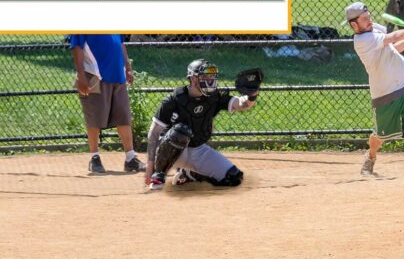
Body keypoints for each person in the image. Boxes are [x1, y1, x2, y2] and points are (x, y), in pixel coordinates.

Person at [345, 2, 404, 176]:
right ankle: (370, 156)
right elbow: (393, 37)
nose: (370, 21)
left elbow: (392, 50)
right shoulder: (362, 41)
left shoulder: (376, 29)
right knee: (380, 136)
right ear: (354, 25)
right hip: (385, 91)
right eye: (365, 19)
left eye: (369, 17)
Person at [145, 60, 261, 190]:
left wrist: (252, 94)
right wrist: (150, 166)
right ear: (193, 78)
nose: (210, 80)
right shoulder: (173, 100)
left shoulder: (215, 96)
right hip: (169, 151)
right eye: (204, 76)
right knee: (181, 131)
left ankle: (191, 174)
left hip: (198, 150)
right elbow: (154, 133)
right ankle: (159, 175)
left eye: (211, 76)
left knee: (234, 177)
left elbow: (241, 104)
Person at [70, 34, 146, 173]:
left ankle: (130, 158)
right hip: (94, 74)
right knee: (94, 117)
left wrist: (128, 66)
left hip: (118, 75)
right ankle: (94, 158)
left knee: (124, 117)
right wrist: (81, 75)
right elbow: (76, 47)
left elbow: (121, 44)